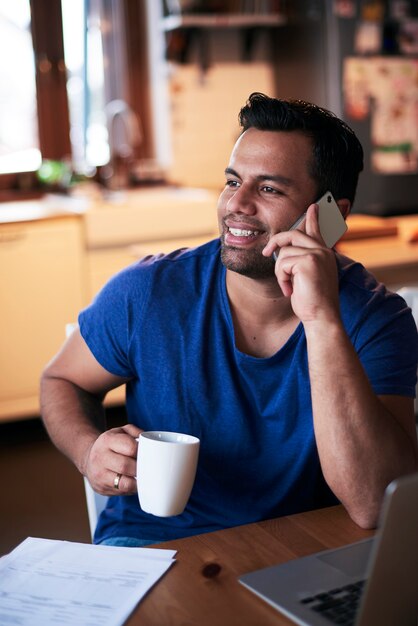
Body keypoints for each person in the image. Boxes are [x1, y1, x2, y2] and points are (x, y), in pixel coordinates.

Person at [40, 92, 418, 547]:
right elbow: (61, 379)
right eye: (232, 181)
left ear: (334, 216)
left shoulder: (376, 319)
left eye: (269, 188)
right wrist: (88, 451)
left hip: (303, 549)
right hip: (156, 545)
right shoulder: (148, 291)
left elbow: (375, 504)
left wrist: (321, 320)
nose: (236, 204)